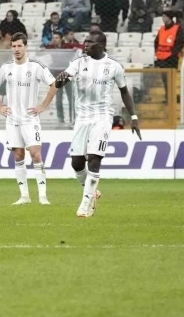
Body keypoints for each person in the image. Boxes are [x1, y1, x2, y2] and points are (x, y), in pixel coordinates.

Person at [55, 30, 140, 217]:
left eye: (89, 42)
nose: (85, 45)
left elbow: (124, 92)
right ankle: (93, 191)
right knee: (77, 163)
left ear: (101, 45)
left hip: (102, 116)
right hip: (82, 117)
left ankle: (86, 205)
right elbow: (60, 82)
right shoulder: (78, 63)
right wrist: (61, 80)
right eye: (85, 42)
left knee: (94, 158)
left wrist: (133, 117)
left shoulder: (114, 66)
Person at [0, 32, 57, 205]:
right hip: (12, 120)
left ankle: (42, 196)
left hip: (30, 119)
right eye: (13, 46)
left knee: (35, 154)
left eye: (20, 46)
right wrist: (0, 106)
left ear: (26, 47)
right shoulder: (6, 68)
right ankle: (24, 196)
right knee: (18, 155)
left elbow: (54, 84)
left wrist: (42, 106)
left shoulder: (36, 66)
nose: (16, 49)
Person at [154, 10, 184, 102]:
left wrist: (173, 54)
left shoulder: (177, 28)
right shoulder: (161, 29)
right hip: (162, 58)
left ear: (169, 17)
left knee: (170, 78)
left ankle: (171, 96)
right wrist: (157, 53)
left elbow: (180, 43)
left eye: (165, 17)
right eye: (163, 17)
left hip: (171, 58)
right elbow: (156, 42)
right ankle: (168, 96)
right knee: (164, 79)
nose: (163, 19)